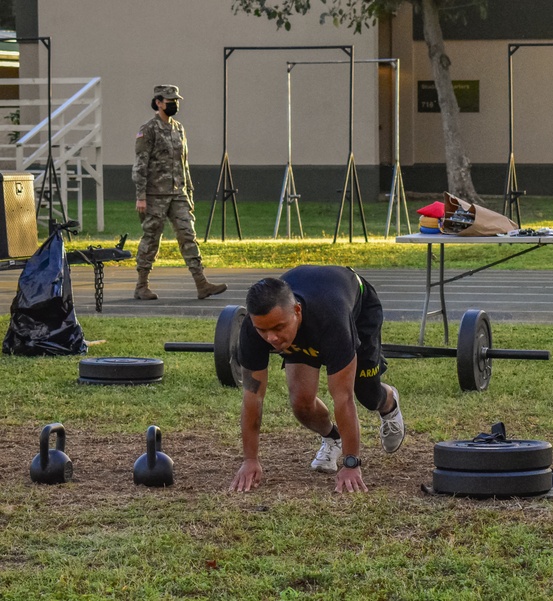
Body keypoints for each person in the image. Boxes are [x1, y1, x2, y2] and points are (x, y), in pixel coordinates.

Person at [229, 265, 405, 494]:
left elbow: (343, 398)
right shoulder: (254, 331)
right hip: (310, 312)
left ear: (297, 311)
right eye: (263, 330)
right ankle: (333, 439)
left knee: (367, 394)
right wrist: (250, 460)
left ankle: (389, 404)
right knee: (301, 404)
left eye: (278, 327)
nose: (271, 338)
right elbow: (252, 398)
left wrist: (351, 464)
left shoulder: (333, 321)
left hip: (356, 308)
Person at [132, 84, 227, 300]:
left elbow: (184, 164)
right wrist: (141, 196)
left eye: (176, 100)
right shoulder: (148, 130)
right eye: (169, 100)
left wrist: (189, 193)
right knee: (151, 239)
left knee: (188, 236)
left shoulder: (179, 129)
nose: (174, 104)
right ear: (158, 102)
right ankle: (141, 285)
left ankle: (202, 284)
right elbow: (140, 165)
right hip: (155, 195)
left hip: (178, 194)